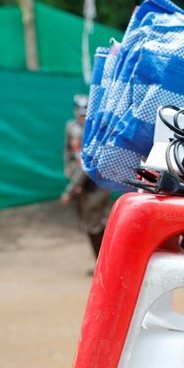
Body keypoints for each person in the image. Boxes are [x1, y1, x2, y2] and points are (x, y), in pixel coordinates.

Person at [60, 94, 111, 270]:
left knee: (96, 225)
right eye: (80, 114)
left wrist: (70, 190)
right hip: (78, 183)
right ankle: (100, 263)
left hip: (93, 184)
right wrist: (68, 168)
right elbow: (67, 150)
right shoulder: (71, 127)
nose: (83, 118)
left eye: (86, 114)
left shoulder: (95, 131)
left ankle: (105, 264)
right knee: (88, 224)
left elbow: (86, 165)